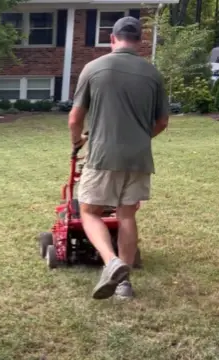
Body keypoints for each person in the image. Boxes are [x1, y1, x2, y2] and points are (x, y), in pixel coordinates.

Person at [68, 16, 169, 300]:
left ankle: (111, 262)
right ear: (140, 41)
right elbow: (162, 122)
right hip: (138, 157)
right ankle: (124, 286)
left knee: (89, 212)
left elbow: (75, 118)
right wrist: (139, 138)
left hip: (102, 154)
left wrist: (77, 141)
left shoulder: (94, 68)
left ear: (112, 39)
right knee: (126, 214)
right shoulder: (152, 74)